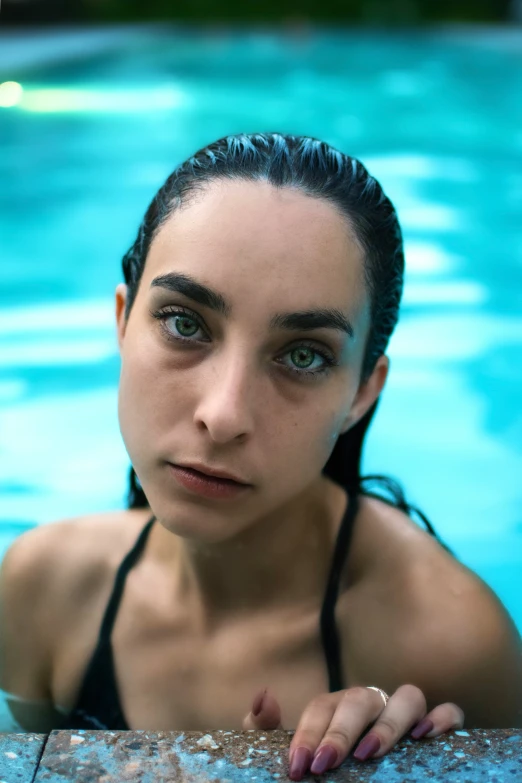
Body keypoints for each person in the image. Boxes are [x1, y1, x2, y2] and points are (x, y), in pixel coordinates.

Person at [1, 133, 521, 778]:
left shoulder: (446, 645)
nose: (222, 416)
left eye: (304, 354)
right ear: (122, 319)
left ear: (362, 392)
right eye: (184, 322)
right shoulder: (42, 587)